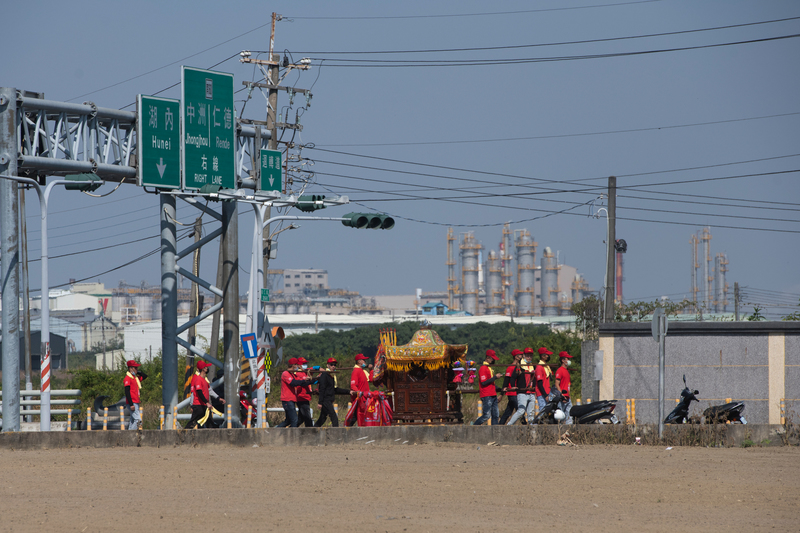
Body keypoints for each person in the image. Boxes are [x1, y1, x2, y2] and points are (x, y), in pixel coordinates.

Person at [277, 358, 316, 428]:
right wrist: (304, 380)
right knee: (294, 420)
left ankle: (276, 431)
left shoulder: (292, 375)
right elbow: (293, 383)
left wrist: (314, 380)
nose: (298, 367)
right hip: (287, 399)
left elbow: (302, 383)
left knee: (288, 420)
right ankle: (293, 436)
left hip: (292, 400)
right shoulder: (285, 373)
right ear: (293, 365)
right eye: (296, 365)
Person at [315, 358, 350, 427]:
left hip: (329, 399)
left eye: (334, 365)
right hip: (326, 400)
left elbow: (335, 389)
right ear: (327, 365)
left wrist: (348, 391)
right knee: (334, 418)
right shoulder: (324, 375)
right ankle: (336, 434)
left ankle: (313, 430)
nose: (333, 366)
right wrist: (320, 402)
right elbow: (322, 389)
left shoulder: (332, 376)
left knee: (322, 419)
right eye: (331, 365)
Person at [507, 348, 536, 425]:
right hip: (522, 392)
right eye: (527, 356)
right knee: (521, 411)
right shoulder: (519, 366)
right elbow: (513, 377)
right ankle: (509, 425)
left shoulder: (533, 366)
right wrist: (513, 386)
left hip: (531, 392)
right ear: (524, 356)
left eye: (530, 356)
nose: (529, 357)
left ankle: (531, 429)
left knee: (531, 413)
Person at [473, 350, 501, 425]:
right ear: (488, 358)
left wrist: (500, 389)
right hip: (486, 395)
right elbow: (484, 382)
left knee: (496, 415)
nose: (493, 361)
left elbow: (491, 383)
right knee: (486, 415)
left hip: (493, 394)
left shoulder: (489, 368)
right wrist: (495, 377)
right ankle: (474, 427)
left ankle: (495, 431)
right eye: (492, 359)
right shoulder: (483, 368)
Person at [346, 354, 372, 427]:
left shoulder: (362, 371)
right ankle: (347, 429)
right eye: (364, 360)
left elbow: (371, 379)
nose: (365, 361)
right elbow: (353, 385)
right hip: (359, 398)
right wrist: (359, 393)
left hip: (364, 398)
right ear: (359, 361)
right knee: (356, 416)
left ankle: (348, 428)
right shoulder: (356, 371)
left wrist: (371, 370)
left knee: (359, 416)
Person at [186, 361, 213, 429]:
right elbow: (199, 392)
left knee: (209, 422)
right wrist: (207, 403)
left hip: (203, 405)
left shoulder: (204, 380)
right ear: (203, 369)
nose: (207, 368)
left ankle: (211, 438)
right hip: (198, 405)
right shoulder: (198, 379)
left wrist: (218, 398)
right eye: (206, 367)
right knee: (193, 423)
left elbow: (209, 391)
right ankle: (183, 435)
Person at [499, 349, 523, 424]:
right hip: (512, 393)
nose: (522, 356)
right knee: (520, 410)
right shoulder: (510, 368)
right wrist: (501, 394)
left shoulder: (519, 367)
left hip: (517, 392)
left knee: (508, 412)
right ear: (516, 357)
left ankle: (500, 425)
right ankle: (525, 424)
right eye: (520, 355)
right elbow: (506, 381)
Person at [123, 360, 146, 430]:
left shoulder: (135, 378)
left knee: (132, 420)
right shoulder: (128, 378)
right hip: (132, 402)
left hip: (136, 401)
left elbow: (145, 376)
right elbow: (127, 392)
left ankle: (129, 434)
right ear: (130, 369)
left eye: (137, 368)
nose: (137, 369)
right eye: (135, 368)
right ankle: (132, 435)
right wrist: (131, 404)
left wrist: (137, 372)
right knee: (138, 420)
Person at [294, 357, 315, 427]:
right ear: (299, 365)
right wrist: (312, 380)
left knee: (301, 419)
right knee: (307, 417)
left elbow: (313, 369)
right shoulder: (298, 373)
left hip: (306, 397)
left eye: (306, 363)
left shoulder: (305, 372)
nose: (305, 365)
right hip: (301, 397)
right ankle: (310, 431)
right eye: (303, 364)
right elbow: (304, 383)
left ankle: (291, 428)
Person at [555, 351, 574, 424]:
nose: (569, 361)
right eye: (567, 359)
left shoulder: (566, 371)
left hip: (567, 397)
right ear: (563, 360)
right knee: (561, 416)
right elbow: (557, 384)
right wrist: (561, 395)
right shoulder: (560, 370)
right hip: (562, 397)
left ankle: (568, 431)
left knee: (569, 416)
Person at [535, 346, 554, 411]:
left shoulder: (546, 366)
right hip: (542, 394)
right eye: (547, 355)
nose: (548, 356)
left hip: (548, 392)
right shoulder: (539, 367)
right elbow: (540, 383)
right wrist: (545, 395)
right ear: (542, 356)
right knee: (543, 411)